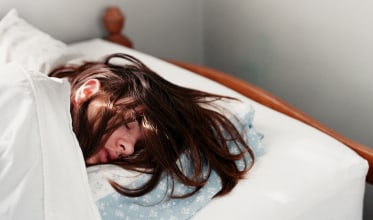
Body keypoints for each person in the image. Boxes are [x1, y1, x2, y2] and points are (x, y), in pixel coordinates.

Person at [49, 53, 255, 198]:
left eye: (138, 146)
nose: (128, 149)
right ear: (87, 92)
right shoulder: (35, 104)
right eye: (128, 124)